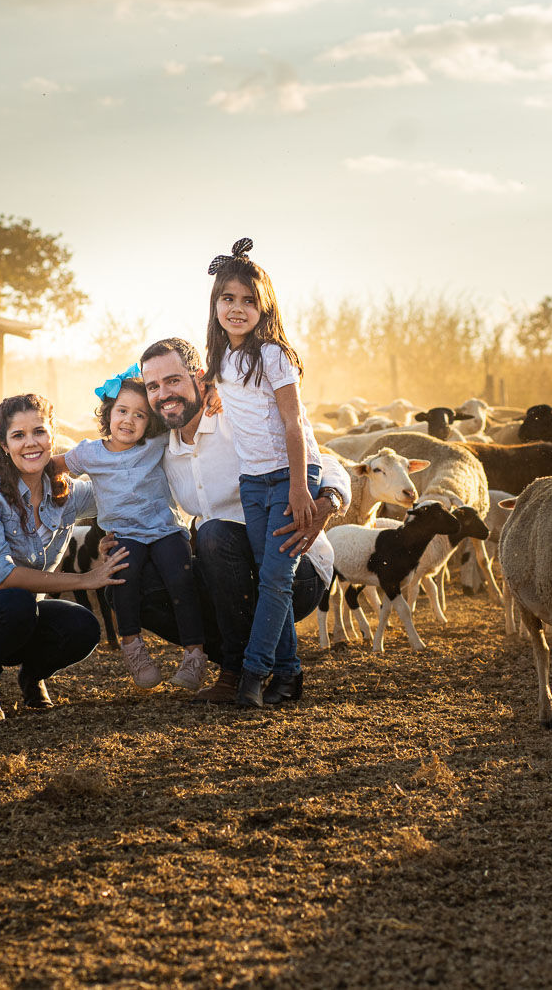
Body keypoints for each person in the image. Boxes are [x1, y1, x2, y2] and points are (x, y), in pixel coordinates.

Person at [133, 336, 350, 704]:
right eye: (153, 386)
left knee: (214, 535)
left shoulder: (234, 416)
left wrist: (329, 499)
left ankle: (236, 672)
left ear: (201, 379)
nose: (163, 393)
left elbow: (320, 458)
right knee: (138, 583)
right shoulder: (161, 449)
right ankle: (248, 659)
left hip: (295, 565)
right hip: (226, 574)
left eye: (173, 381)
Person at [0, 393, 129, 721]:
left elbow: (121, 492)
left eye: (39, 432)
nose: (30, 443)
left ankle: (32, 675)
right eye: (18, 435)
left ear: (53, 436)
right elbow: (3, 576)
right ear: (5, 446)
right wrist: (84, 579)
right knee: (17, 600)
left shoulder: (67, 494)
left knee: (83, 625)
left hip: (20, 618)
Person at [204, 237, 324, 708]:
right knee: (266, 575)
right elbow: (223, 388)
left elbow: (293, 423)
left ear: (264, 307)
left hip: (291, 476)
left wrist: (299, 486)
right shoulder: (220, 359)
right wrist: (210, 391)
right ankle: (290, 674)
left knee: (276, 577)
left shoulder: (273, 354)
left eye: (248, 301)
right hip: (252, 481)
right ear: (215, 305)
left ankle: (253, 674)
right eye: (228, 299)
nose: (237, 309)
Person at [59, 368, 206, 691]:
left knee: (181, 578)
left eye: (139, 415)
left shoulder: (155, 443)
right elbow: (49, 468)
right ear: (108, 413)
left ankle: (195, 652)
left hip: (166, 529)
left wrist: (213, 397)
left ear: (149, 422)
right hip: (124, 534)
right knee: (122, 576)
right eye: (121, 411)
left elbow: (193, 422)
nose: (129, 420)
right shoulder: (89, 453)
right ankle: (133, 647)